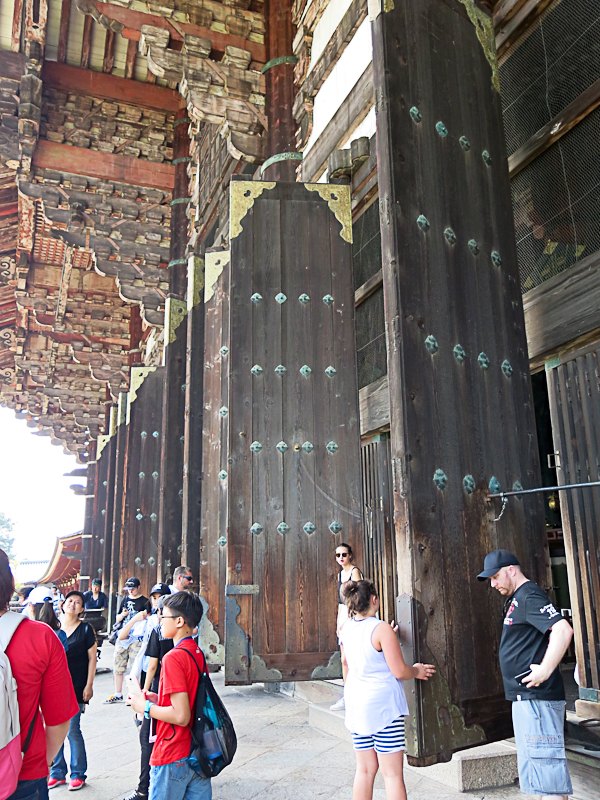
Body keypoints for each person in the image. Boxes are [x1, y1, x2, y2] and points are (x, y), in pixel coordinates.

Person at [478, 549, 574, 800]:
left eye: (496, 577)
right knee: (539, 779)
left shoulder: (529, 595)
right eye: (490, 579)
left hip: (537, 699)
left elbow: (563, 630)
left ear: (512, 570)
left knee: (548, 778)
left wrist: (544, 669)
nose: (494, 584)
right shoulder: (516, 598)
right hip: (527, 701)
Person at [340, 580, 435, 800]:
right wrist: (417, 671)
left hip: (356, 704)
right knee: (391, 775)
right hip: (383, 708)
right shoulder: (381, 628)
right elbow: (400, 671)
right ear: (374, 600)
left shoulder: (346, 628)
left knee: (364, 770)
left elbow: (345, 662)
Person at [1, 549, 79, 800]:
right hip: (23, 771)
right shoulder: (40, 636)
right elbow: (59, 717)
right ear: (10, 584)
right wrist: (40, 763)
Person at [128, 591, 210, 800]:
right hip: (197, 750)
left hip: (173, 751)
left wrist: (144, 708)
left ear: (179, 621)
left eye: (163, 616)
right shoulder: (197, 652)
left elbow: (181, 716)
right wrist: (158, 699)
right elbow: (192, 697)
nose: (159, 620)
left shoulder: (173, 658)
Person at [122, 589, 174, 800]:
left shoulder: (158, 631)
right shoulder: (189, 636)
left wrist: (144, 691)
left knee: (147, 739)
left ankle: (145, 788)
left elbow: (152, 665)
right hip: (169, 691)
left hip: (158, 689)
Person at [49, 591, 97, 791]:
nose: (73, 604)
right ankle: (57, 772)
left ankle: (78, 773)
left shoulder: (86, 629)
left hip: (76, 686)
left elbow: (93, 658)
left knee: (72, 729)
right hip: (53, 686)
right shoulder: (52, 629)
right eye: (70, 601)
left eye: (78, 602)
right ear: (62, 604)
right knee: (54, 728)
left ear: (82, 609)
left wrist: (89, 684)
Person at [105, 577, 151, 704]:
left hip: (137, 636)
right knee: (118, 662)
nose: (130, 591)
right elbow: (118, 617)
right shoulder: (125, 600)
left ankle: (133, 694)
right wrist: (123, 615)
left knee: (134, 665)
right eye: (128, 589)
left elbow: (148, 618)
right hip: (123, 634)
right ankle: (118, 692)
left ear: (138, 587)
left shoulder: (145, 601)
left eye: (133, 588)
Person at [331, 543, 363, 712]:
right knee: (344, 658)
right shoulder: (340, 574)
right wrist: (338, 622)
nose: (341, 558)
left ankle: (356, 694)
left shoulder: (354, 572)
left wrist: (350, 616)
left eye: (344, 554)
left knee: (352, 656)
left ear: (350, 555)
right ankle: (347, 695)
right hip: (343, 614)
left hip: (354, 614)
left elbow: (360, 596)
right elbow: (339, 602)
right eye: (338, 555)